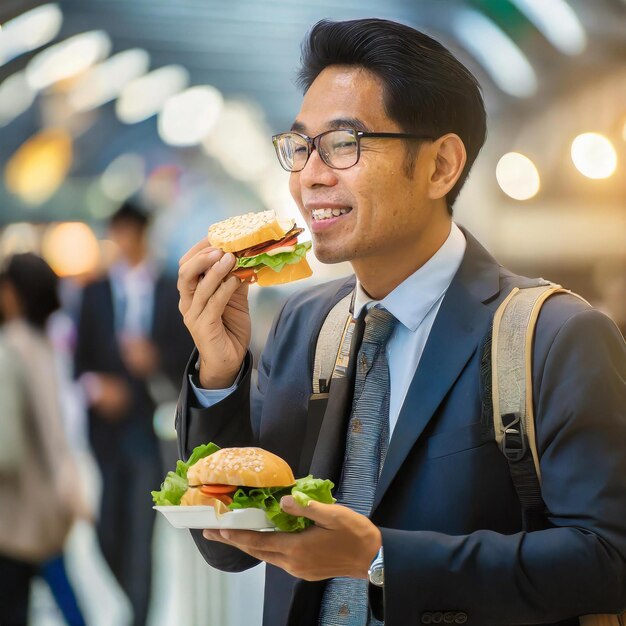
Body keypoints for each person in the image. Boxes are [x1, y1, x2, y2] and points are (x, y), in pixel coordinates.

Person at [175, 18, 626, 626]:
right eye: (301, 146)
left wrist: (381, 557)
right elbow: (227, 547)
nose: (310, 175)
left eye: (343, 144)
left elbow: (607, 559)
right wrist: (220, 373)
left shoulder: (554, 336)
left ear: (441, 165)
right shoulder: (305, 324)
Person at [74, 202, 193, 626]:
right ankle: (132, 603)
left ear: (143, 234)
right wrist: (96, 387)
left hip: (149, 426)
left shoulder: (170, 289)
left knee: (142, 536)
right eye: (116, 233)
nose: (123, 242)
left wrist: (153, 360)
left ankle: (139, 617)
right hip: (106, 431)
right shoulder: (94, 291)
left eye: (129, 233)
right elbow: (79, 360)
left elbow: (188, 359)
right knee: (105, 533)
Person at [0, 253, 88, 626]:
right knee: (68, 603)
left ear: (13, 293)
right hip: (49, 507)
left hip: (14, 516)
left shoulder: (10, 347)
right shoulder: (41, 345)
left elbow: (6, 450)